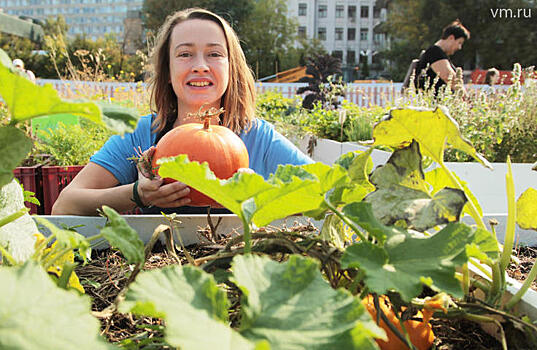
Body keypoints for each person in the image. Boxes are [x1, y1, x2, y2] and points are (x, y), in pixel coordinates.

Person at [51, 8, 313, 216]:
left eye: (214, 54)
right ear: (167, 71)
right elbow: (65, 204)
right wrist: (137, 194)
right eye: (185, 54)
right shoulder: (141, 135)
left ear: (231, 68)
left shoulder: (257, 136)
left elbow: (320, 193)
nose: (200, 66)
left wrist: (263, 195)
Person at [414, 20, 470, 95]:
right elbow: (448, 77)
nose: (459, 47)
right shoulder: (435, 52)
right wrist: (466, 98)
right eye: (459, 42)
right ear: (451, 38)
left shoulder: (439, 54)